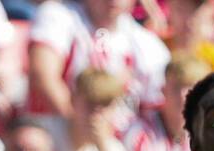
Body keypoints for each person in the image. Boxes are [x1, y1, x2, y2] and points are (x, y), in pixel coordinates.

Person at [27, 0, 170, 120]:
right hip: (59, 133)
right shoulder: (57, 15)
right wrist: (82, 129)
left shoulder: (149, 45)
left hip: (119, 143)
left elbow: (162, 112)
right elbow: (42, 77)